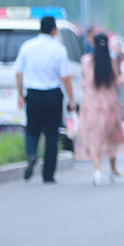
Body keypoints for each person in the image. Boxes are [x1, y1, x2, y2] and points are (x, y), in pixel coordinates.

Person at [14, 15, 76, 183]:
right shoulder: (59, 49)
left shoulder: (28, 47)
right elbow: (66, 78)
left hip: (33, 95)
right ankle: (48, 174)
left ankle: (32, 155)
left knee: (32, 130)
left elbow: (19, 73)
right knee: (51, 134)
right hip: (53, 96)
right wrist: (71, 99)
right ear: (54, 30)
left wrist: (21, 95)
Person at [75, 34, 124, 185]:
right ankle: (113, 168)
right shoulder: (110, 62)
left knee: (94, 136)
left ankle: (97, 170)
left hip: (91, 103)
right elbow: (116, 80)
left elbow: (85, 81)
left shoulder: (86, 61)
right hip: (109, 104)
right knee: (111, 135)